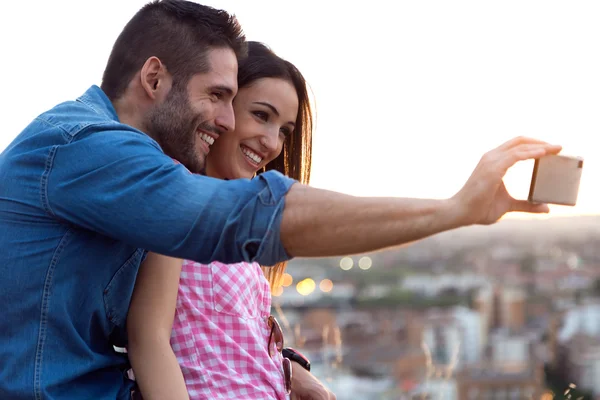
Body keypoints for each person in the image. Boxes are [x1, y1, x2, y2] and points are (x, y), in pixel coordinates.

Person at [0, 0, 561, 398]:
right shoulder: (83, 147)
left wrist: (287, 369)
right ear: (154, 78)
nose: (226, 119)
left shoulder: (118, 163)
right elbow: (237, 224)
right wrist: (454, 209)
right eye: (218, 96)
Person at [127, 41, 332, 400]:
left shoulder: (230, 221)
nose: (272, 143)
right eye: (261, 115)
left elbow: (233, 344)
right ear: (221, 109)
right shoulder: (177, 194)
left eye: (284, 130)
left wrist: (294, 373)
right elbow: (149, 339)